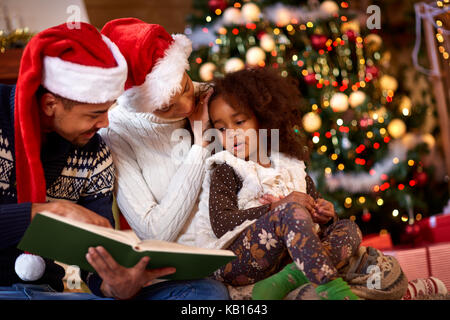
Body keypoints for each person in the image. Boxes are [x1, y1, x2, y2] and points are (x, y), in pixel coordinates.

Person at [0, 22, 228, 300]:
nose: (105, 123)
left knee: (204, 292)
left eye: (108, 110)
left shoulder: (95, 154)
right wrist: (45, 212)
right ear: (50, 105)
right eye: (95, 113)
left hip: (48, 293)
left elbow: (95, 263)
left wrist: (114, 284)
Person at [190, 68, 363, 300]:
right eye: (221, 128)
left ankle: (290, 278)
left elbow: (312, 204)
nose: (231, 134)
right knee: (289, 211)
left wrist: (324, 213)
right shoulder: (224, 167)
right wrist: (275, 207)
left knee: (349, 229)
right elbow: (222, 223)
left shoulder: (290, 165)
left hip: (286, 259)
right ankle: (334, 290)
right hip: (236, 261)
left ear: (264, 118)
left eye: (239, 121)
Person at [99, 18, 212, 244]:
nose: (189, 107)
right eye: (166, 107)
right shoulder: (116, 131)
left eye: (186, 87)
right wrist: (200, 147)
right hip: (186, 263)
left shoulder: (211, 96)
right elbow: (154, 233)